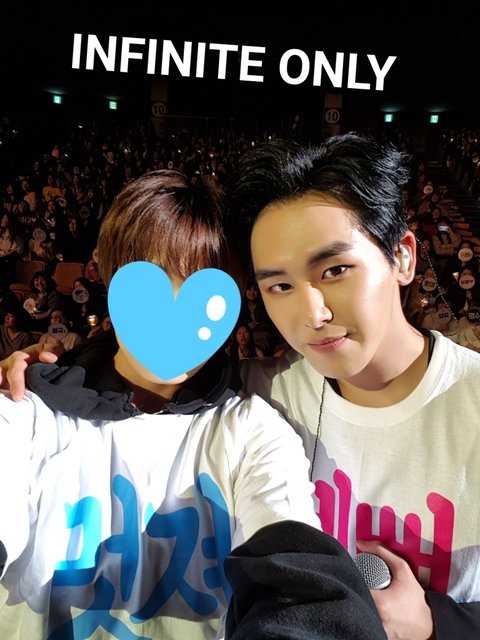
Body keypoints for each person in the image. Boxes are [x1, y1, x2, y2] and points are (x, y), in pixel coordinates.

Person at [0, 169, 385, 640]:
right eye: (155, 281)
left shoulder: (253, 432)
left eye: (205, 290)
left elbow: (298, 581)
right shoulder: (25, 414)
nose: (176, 312)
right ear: (110, 279)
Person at [225, 133, 480, 639]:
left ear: (402, 257)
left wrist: (440, 623)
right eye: (280, 286)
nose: (313, 314)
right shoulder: (259, 397)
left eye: (336, 270)